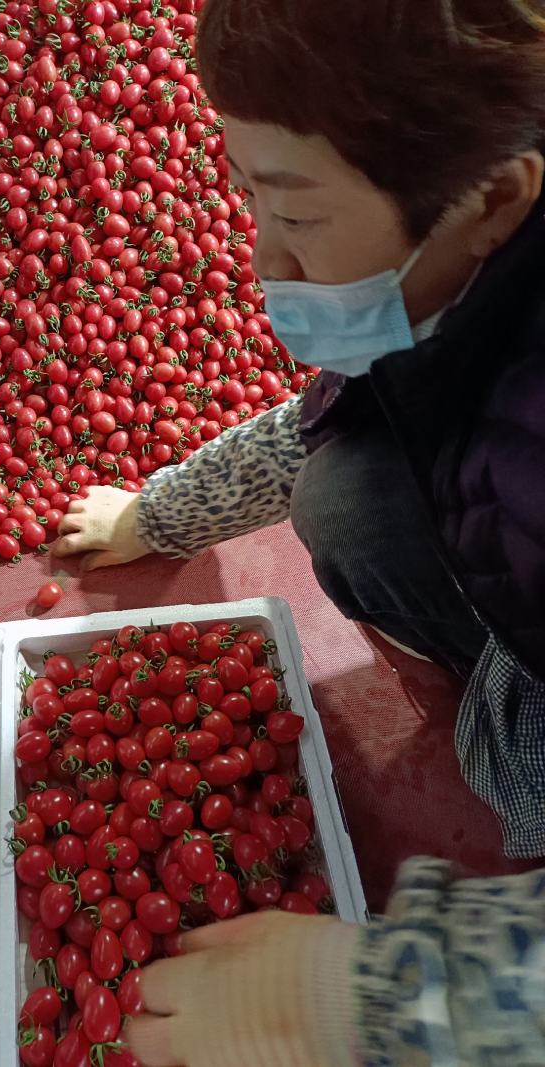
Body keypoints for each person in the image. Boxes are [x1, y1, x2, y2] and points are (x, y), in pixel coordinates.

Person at [52, 1, 545, 1062]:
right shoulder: (481, 265)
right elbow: (365, 408)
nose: (262, 256)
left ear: (494, 198)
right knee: (349, 491)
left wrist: (366, 994)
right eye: (249, 198)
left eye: (298, 217)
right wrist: (161, 511)